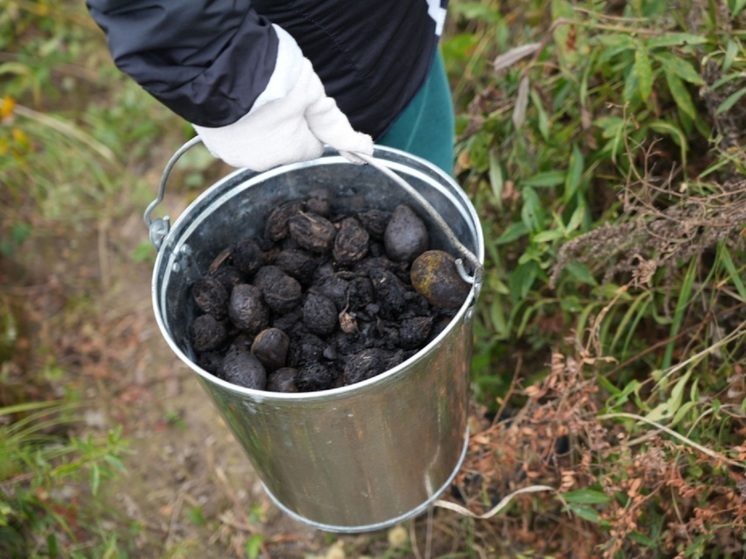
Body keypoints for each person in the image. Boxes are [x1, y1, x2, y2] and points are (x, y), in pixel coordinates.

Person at [85, 1, 455, 175]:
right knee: (367, 177)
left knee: (421, 127)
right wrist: (232, 68)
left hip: (393, 30)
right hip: (331, 41)